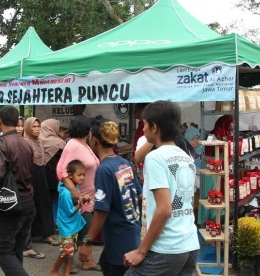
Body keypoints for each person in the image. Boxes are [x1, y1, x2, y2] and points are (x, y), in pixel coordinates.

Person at [124, 100, 199, 276]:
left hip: (167, 247)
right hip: (189, 245)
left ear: (154, 127)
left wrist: (141, 251)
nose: (142, 129)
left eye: (144, 124)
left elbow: (164, 209)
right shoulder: (185, 157)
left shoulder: (155, 158)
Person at [79, 117, 142, 275]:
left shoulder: (104, 169)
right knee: (105, 264)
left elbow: (101, 211)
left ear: (94, 140)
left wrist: (88, 242)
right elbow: (138, 196)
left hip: (119, 238)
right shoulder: (125, 164)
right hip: (132, 233)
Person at [0, 105, 35, 275]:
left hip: (11, 205)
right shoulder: (25, 142)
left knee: (3, 251)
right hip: (27, 202)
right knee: (15, 252)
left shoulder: (2, 143)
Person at [56, 115, 100, 271]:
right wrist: (74, 191)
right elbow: (61, 170)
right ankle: (69, 262)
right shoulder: (73, 145)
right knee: (81, 229)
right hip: (80, 196)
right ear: (86, 129)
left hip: (89, 196)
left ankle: (85, 259)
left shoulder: (84, 145)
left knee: (84, 230)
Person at [25, 117, 57, 244]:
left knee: (44, 203)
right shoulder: (26, 142)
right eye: (34, 126)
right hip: (31, 177)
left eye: (38, 126)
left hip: (41, 176)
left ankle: (46, 234)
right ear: (28, 128)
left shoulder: (40, 142)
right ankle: (30, 235)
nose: (37, 129)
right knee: (32, 205)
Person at [51, 160, 87, 276]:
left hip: (73, 225)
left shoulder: (74, 187)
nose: (82, 178)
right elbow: (70, 211)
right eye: (79, 175)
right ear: (70, 175)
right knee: (66, 251)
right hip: (66, 226)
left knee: (72, 250)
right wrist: (81, 203)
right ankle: (54, 270)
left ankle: (67, 272)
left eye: (84, 175)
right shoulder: (66, 193)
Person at [40, 119, 66, 222]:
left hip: (43, 176)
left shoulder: (38, 141)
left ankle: (46, 221)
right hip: (56, 176)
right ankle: (55, 221)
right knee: (56, 199)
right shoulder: (60, 143)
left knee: (46, 200)